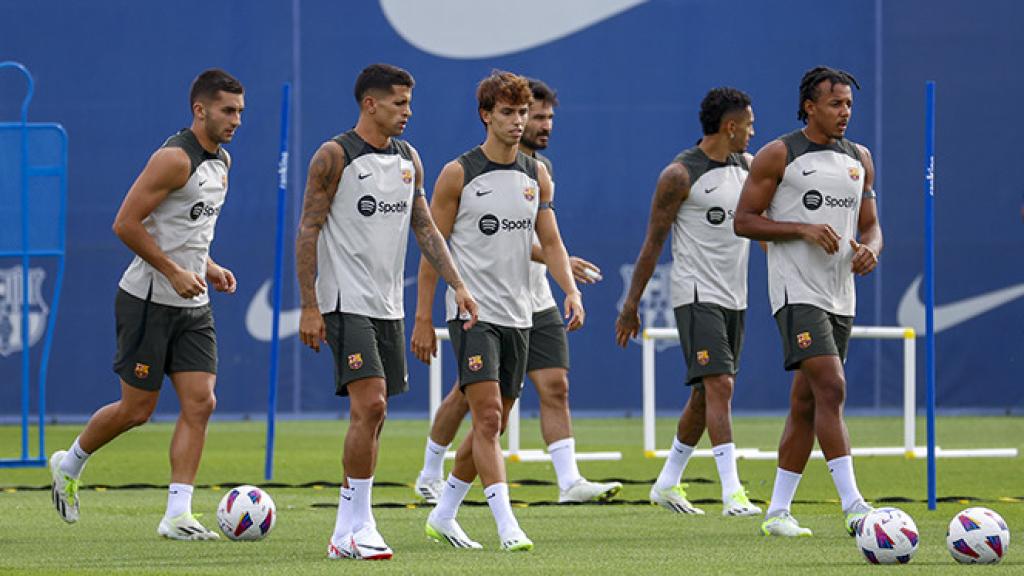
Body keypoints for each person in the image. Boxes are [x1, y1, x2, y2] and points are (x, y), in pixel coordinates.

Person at [48, 69, 244, 540]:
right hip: (147, 301)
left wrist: (207, 266)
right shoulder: (173, 159)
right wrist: (173, 270)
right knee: (137, 410)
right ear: (200, 110)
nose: (236, 119)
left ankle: (178, 515)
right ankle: (69, 463)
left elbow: (186, 231)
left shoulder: (223, 163)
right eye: (227, 110)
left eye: (240, 110)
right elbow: (125, 223)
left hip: (192, 305)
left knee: (202, 401)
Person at [294, 63, 478, 560]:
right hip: (342, 301)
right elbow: (309, 230)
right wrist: (310, 306)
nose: (407, 112)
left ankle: (348, 529)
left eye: (410, 103)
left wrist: (458, 285)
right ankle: (356, 526)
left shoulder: (409, 159)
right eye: (399, 103)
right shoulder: (334, 156)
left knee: (376, 416)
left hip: (387, 306)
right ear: (369, 104)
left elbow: (425, 228)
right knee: (370, 404)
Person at [412, 78, 620, 505]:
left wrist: (569, 288)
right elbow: (439, 244)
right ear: (488, 115)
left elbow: (541, 235)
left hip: (532, 302)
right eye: (519, 113)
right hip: (478, 306)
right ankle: (437, 477)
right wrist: (422, 317)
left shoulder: (538, 174)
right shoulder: (461, 173)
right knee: (476, 404)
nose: (531, 123)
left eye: (534, 114)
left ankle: (569, 482)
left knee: (550, 389)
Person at [734, 66, 882, 537]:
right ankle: (854, 506)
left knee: (806, 402)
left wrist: (869, 251)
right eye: (836, 104)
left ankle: (777, 512)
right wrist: (800, 228)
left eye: (849, 105)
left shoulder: (860, 158)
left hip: (841, 294)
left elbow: (872, 225)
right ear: (809, 107)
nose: (845, 113)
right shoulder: (779, 154)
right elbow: (743, 221)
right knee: (832, 387)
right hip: (795, 292)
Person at [616, 87, 762, 518]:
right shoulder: (680, 175)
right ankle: (733, 492)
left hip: (736, 296)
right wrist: (631, 305)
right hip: (696, 294)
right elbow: (652, 244)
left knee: (704, 395)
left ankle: (666, 483)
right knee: (721, 385)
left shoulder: (749, 168)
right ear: (730, 127)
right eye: (749, 124)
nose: (754, 131)